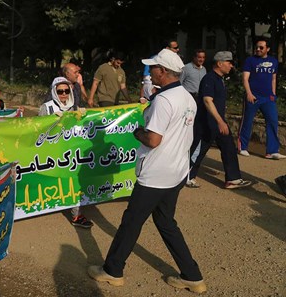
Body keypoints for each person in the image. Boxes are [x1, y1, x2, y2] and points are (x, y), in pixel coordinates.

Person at [88, 48, 206, 294]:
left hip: (156, 174)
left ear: (163, 71)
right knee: (165, 222)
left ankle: (112, 270)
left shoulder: (164, 100)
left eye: (153, 68)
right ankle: (192, 276)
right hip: (175, 172)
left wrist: (137, 132)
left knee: (131, 222)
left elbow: (153, 140)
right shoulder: (186, 97)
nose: (150, 71)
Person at [187, 52, 252, 189]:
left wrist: (221, 121)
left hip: (218, 122)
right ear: (219, 63)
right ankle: (187, 176)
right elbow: (207, 100)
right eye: (229, 62)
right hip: (206, 123)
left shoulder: (220, 79)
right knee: (198, 150)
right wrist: (219, 121)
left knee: (229, 147)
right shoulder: (209, 78)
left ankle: (233, 179)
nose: (231, 65)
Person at [39, 77, 94, 228]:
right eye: (60, 91)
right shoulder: (47, 107)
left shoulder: (74, 106)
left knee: (75, 181)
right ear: (54, 92)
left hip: (71, 152)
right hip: (53, 153)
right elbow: (36, 130)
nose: (63, 94)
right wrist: (51, 121)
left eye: (66, 91)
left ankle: (76, 215)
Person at [238, 37, 285, 159]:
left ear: (267, 49)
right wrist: (249, 93)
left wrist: (273, 95)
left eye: (261, 47)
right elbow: (245, 79)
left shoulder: (274, 61)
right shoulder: (250, 60)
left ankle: (272, 151)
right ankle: (242, 147)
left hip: (268, 98)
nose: (258, 49)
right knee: (247, 121)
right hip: (253, 96)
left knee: (273, 121)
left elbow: (273, 79)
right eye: (257, 47)